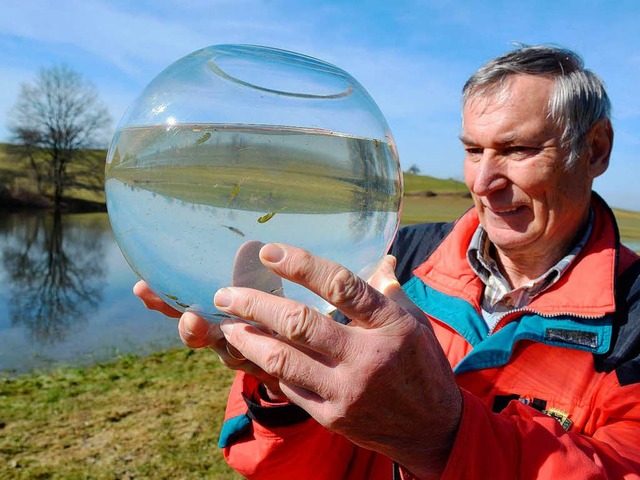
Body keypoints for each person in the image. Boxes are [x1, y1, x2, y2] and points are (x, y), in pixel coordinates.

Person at [134, 44, 640, 479]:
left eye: (518, 149)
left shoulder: (633, 323)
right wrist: (287, 388)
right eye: (471, 149)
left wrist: (438, 436)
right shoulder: (394, 260)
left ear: (595, 149)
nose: (483, 182)